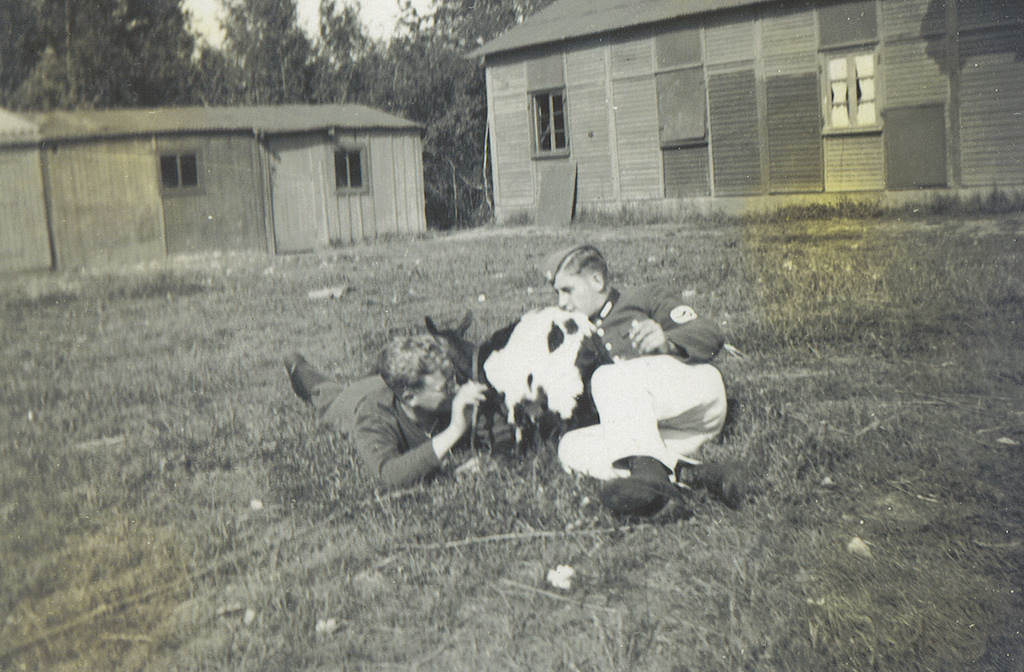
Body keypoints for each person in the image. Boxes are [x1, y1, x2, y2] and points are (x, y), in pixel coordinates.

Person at [538, 244, 745, 512]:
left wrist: (668, 342)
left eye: (567, 290)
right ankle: (698, 476)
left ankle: (651, 480)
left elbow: (709, 333)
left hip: (695, 399)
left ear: (596, 281)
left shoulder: (644, 298)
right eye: (557, 293)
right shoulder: (568, 337)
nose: (561, 303)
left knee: (608, 377)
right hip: (654, 432)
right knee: (570, 447)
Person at [285, 333, 506, 489]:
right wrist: (456, 429)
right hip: (351, 400)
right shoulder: (372, 416)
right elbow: (390, 475)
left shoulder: (443, 400)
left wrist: (494, 459)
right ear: (410, 397)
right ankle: (296, 364)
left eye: (454, 380)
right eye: (446, 387)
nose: (458, 389)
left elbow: (502, 433)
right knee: (323, 392)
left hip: (383, 383)